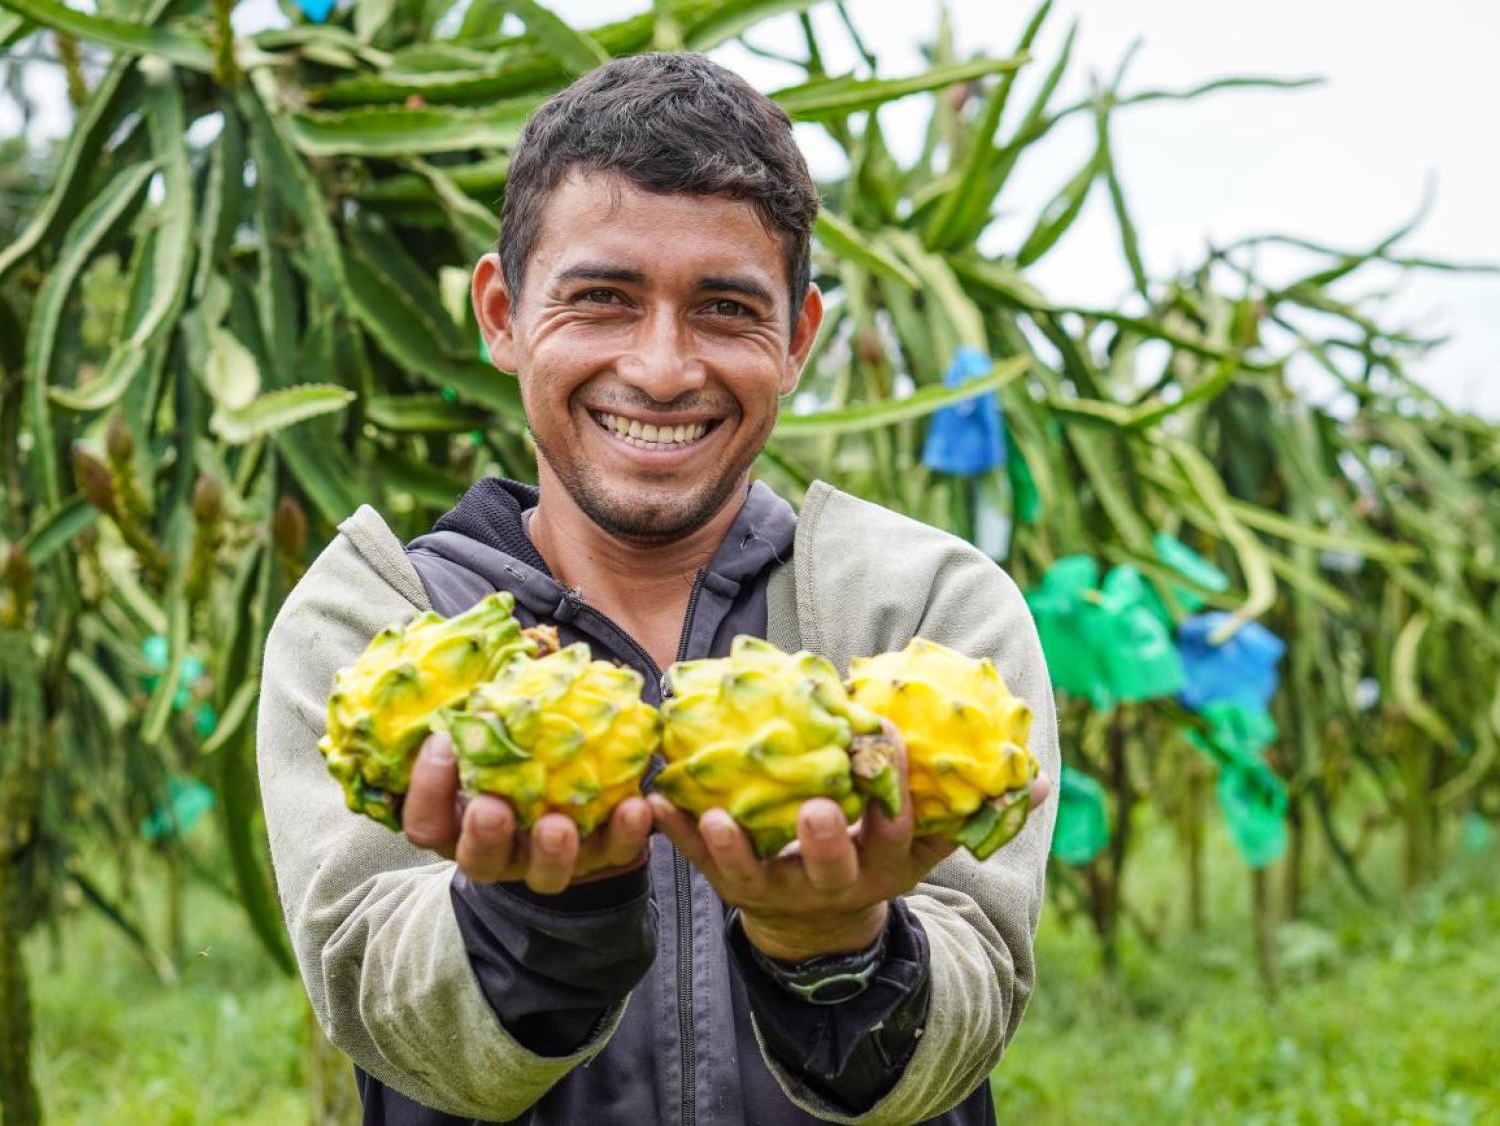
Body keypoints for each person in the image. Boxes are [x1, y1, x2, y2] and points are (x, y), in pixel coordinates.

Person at [257, 51, 1059, 1126]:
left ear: (798, 338)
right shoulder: (374, 622)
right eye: (601, 298)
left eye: (725, 308)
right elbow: (381, 1001)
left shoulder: (923, 612)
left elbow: (977, 993)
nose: (663, 367)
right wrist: (549, 918)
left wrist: (833, 954)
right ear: (500, 313)